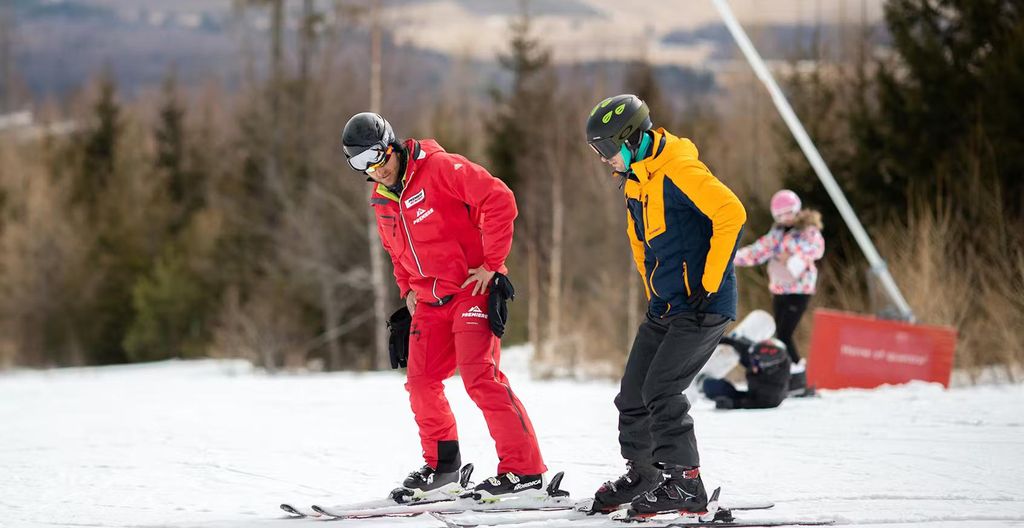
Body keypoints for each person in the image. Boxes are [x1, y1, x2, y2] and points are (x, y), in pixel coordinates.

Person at [341, 112, 547, 500]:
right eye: (360, 163)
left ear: (393, 145)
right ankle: (443, 467)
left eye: (377, 156)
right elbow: (395, 250)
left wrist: (492, 264)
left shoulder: (439, 168)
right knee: (420, 384)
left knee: (480, 378)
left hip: (471, 289)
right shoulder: (382, 201)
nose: (374, 168)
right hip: (430, 303)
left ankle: (524, 472)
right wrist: (407, 289)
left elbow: (499, 198)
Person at [584, 95, 747, 515]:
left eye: (605, 148)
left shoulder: (678, 168)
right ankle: (645, 473)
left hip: (702, 306)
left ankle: (685, 484)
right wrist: (653, 292)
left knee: (661, 389)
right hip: (667, 305)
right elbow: (642, 245)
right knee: (632, 394)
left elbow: (731, 212)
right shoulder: (638, 179)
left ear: (631, 138)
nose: (603, 159)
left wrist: (710, 283)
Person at [733, 190, 824, 394]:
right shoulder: (777, 234)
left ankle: (797, 376)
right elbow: (758, 251)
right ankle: (793, 375)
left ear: (797, 210)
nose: (785, 218)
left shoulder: (807, 231)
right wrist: (731, 257)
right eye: (780, 215)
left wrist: (791, 254)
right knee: (780, 332)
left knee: (784, 333)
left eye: (788, 213)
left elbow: (817, 248)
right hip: (779, 289)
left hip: (800, 289)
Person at [701, 336, 791, 410]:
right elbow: (749, 351)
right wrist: (725, 340)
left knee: (712, 387)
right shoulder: (767, 361)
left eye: (755, 361)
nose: (753, 362)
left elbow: (754, 403)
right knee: (745, 354)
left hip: (752, 398)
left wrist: (733, 404)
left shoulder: (771, 395)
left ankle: (701, 384)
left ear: (767, 365)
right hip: (758, 379)